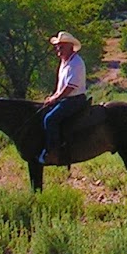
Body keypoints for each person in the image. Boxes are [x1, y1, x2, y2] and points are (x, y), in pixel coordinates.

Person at [40, 30, 88, 163]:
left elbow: (70, 87)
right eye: (57, 46)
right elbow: (61, 87)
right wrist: (52, 97)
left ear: (70, 47)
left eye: (61, 47)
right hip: (66, 99)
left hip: (74, 100)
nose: (58, 49)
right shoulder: (64, 62)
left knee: (50, 119)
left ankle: (54, 152)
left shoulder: (76, 63)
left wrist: (56, 98)